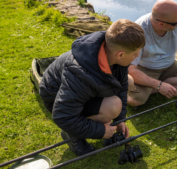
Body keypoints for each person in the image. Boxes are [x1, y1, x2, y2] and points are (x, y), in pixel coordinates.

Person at [39, 19, 145, 156]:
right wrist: (100, 130)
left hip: (83, 89)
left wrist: (120, 120)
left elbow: (123, 86)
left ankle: (98, 122)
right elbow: (63, 116)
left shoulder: (113, 52)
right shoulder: (80, 74)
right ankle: (72, 135)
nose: (137, 57)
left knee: (129, 81)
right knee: (113, 105)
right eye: (135, 54)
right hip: (56, 98)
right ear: (121, 55)